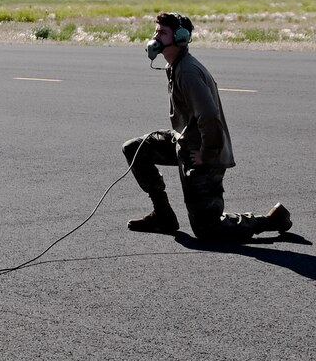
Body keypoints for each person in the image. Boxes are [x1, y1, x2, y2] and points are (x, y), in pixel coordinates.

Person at [123, 12, 291, 240]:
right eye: (156, 31)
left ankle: (270, 220)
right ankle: (163, 215)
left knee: (207, 229)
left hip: (202, 152)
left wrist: (207, 153)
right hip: (185, 142)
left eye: (162, 32)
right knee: (135, 149)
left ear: (181, 38)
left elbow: (210, 116)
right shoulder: (174, 66)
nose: (155, 37)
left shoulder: (188, 71)